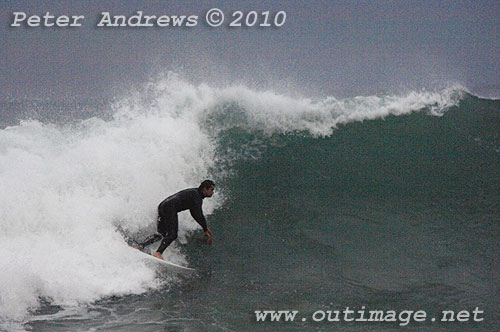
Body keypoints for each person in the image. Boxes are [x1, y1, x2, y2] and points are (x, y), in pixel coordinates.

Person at [136, 180, 215, 260]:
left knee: (161, 234)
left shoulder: (194, 193)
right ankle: (158, 253)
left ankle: (140, 246)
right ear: (205, 189)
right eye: (211, 190)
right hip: (169, 208)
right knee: (172, 234)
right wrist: (205, 229)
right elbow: (199, 214)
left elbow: (195, 213)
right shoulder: (197, 197)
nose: (213, 192)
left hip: (162, 206)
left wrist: (205, 228)